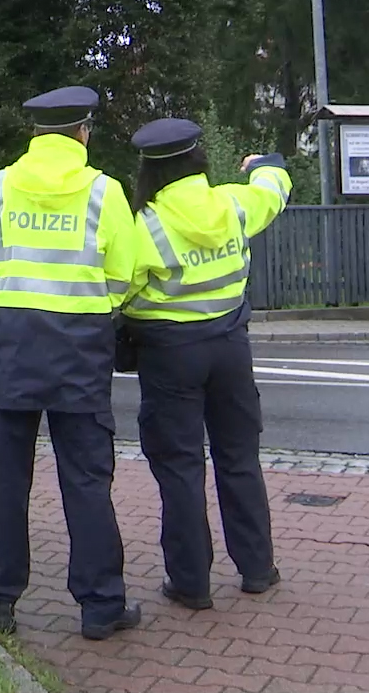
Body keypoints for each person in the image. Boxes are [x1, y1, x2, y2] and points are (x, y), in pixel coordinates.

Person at [0, 86, 142, 640]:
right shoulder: (105, 191)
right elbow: (123, 275)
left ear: (36, 134)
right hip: (79, 346)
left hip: (8, 344)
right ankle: (100, 606)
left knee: (2, 479)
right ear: (82, 133)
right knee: (87, 480)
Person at [122, 117, 291, 611]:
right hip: (230, 349)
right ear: (198, 159)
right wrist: (265, 164)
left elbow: (121, 290)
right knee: (238, 458)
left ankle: (191, 583)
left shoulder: (144, 224)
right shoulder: (231, 204)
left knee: (180, 468)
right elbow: (273, 190)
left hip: (170, 355)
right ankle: (257, 568)